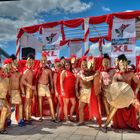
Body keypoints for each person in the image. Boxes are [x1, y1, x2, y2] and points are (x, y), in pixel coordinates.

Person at [101, 54, 140, 132]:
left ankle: (137, 120)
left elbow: (138, 83)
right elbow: (113, 88)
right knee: (114, 108)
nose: (123, 65)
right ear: (118, 65)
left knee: (138, 105)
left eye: (124, 63)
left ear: (126, 63)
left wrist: (135, 92)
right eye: (121, 64)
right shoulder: (116, 75)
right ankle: (105, 125)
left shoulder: (131, 74)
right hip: (120, 97)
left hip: (130, 96)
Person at [37, 52, 55, 121]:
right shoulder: (39, 69)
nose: (43, 62)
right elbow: (36, 79)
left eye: (44, 60)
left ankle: (53, 116)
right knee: (40, 101)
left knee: (50, 100)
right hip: (40, 85)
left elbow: (51, 80)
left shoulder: (49, 70)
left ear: (46, 60)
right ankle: (41, 116)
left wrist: (52, 88)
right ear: (40, 61)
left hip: (47, 86)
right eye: (42, 60)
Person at [9, 54, 25, 126]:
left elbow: (21, 83)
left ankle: (20, 120)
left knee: (20, 104)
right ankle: (8, 120)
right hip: (10, 91)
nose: (16, 62)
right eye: (15, 60)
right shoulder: (8, 71)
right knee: (8, 106)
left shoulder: (19, 72)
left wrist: (23, 92)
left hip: (17, 91)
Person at [20, 55, 36, 124]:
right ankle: (26, 118)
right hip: (27, 89)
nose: (31, 63)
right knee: (27, 104)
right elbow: (22, 81)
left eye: (32, 62)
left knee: (29, 104)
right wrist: (30, 86)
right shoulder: (27, 71)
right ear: (27, 62)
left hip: (30, 90)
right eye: (30, 62)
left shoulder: (31, 71)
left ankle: (28, 116)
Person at [0, 59, 12, 134]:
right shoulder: (1, 73)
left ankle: (2, 126)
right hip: (0, 97)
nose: (8, 67)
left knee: (8, 111)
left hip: (4, 97)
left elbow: (8, 88)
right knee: (5, 110)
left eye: (9, 65)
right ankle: (1, 128)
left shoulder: (8, 76)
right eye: (7, 65)